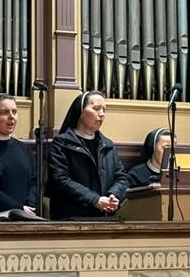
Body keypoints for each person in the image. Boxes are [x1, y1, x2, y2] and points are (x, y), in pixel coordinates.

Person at [47, 91, 130, 220]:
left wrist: (113, 196)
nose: (101, 114)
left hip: (104, 217)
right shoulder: (62, 143)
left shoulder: (108, 145)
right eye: (96, 108)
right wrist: (95, 200)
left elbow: (122, 177)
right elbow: (61, 180)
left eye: (104, 110)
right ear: (80, 110)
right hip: (71, 217)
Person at [0, 93, 38, 213]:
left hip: (27, 214)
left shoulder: (24, 149)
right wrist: (18, 208)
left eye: (14, 112)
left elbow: (34, 182)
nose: (11, 117)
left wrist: (30, 205)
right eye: (4, 112)